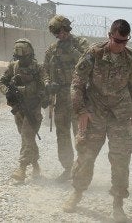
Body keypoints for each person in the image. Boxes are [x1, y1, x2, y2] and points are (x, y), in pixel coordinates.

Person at [63, 19, 132, 223]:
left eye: (125, 41)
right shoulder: (94, 54)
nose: (121, 45)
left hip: (121, 115)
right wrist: (81, 110)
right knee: (86, 155)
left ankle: (118, 205)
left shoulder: (131, 58)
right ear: (110, 35)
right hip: (95, 112)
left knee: (120, 160)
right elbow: (77, 83)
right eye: (117, 40)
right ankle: (77, 193)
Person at [43, 15, 89, 181]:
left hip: (78, 95)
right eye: (57, 33)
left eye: (63, 31)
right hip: (61, 97)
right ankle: (68, 168)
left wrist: (70, 49)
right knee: (62, 134)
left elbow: (88, 63)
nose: (60, 35)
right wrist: (48, 83)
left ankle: (82, 169)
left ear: (68, 28)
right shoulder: (52, 50)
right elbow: (45, 70)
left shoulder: (81, 44)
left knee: (81, 134)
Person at [0, 39, 48, 184]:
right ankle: (36, 165)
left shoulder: (38, 68)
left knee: (27, 135)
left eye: (24, 57)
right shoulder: (13, 67)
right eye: (19, 58)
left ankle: (21, 168)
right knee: (27, 137)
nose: (22, 60)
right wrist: (8, 91)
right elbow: (2, 81)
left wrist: (42, 93)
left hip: (33, 108)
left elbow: (45, 83)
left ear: (30, 54)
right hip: (18, 108)